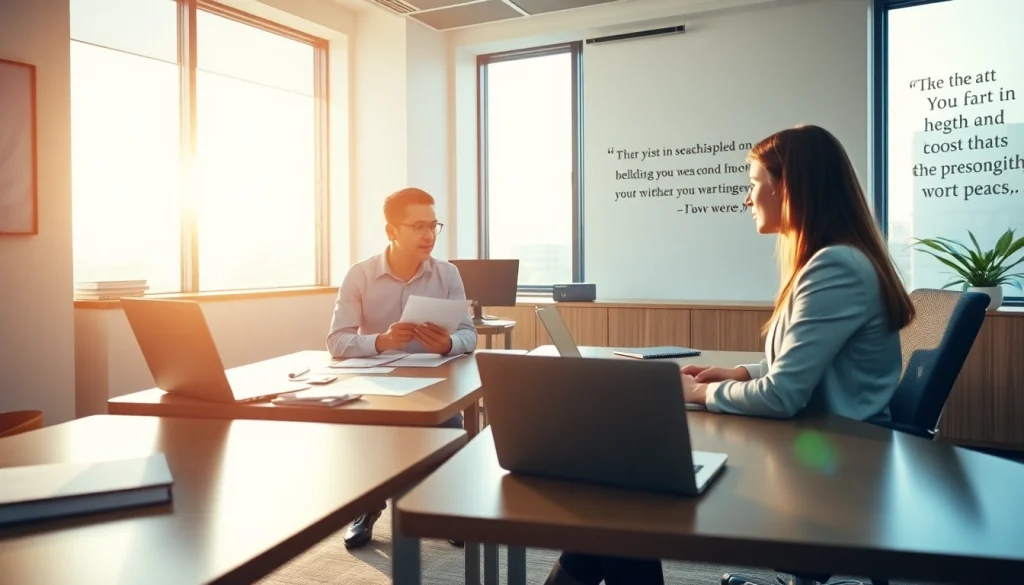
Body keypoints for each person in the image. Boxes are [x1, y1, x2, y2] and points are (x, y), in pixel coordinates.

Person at [542, 125, 916, 585]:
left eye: (754, 183)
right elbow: (810, 367)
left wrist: (699, 390)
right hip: (828, 449)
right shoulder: (838, 259)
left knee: (619, 504)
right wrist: (739, 371)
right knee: (612, 511)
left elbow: (782, 395)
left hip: (836, 475)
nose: (747, 198)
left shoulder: (834, 265)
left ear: (789, 187)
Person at [326, 186, 478, 549]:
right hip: (378, 384)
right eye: (418, 227)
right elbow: (337, 341)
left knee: (449, 424)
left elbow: (469, 335)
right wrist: (381, 341)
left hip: (433, 381)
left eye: (433, 226)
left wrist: (448, 343)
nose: (429, 235)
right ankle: (368, 504)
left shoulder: (447, 274)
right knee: (363, 430)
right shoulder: (360, 275)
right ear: (392, 231)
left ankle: (446, 509)